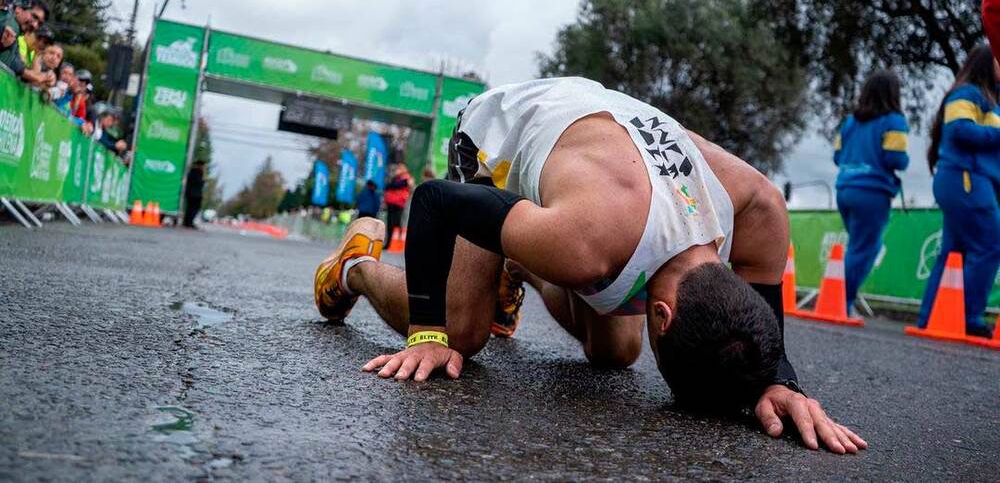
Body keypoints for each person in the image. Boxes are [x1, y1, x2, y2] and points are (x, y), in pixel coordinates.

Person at [314, 77, 867, 454]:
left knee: (615, 352)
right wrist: (425, 332)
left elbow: (765, 225)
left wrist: (778, 380)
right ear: (663, 315)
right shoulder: (586, 240)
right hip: (497, 138)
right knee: (463, 331)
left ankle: (519, 254)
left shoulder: (754, 209)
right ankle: (354, 265)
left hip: (597, 146)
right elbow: (433, 201)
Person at [918, 45, 1000, 338]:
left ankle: (932, 318)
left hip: (967, 181)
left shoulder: (988, 100)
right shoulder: (967, 93)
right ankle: (969, 318)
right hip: (965, 180)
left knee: (952, 252)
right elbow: (960, 131)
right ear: (984, 64)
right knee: (990, 244)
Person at [833, 69, 909, 313]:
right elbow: (896, 159)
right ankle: (840, 301)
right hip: (872, 192)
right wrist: (905, 160)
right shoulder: (894, 121)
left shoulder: (850, 122)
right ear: (893, 94)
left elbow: (837, 156)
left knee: (858, 246)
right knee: (866, 248)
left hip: (844, 189)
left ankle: (839, 299)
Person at [0, 0, 50, 86]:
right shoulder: (9, 22)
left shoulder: (17, 35)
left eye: (40, 23)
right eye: (34, 17)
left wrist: (42, 78)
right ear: (19, 9)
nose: (35, 25)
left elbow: (16, 64)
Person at [383, 164, 413, 244]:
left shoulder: (406, 178)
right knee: (390, 223)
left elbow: (396, 185)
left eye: (399, 168)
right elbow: (388, 186)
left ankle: (396, 242)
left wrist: (392, 184)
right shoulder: (395, 178)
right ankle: (389, 242)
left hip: (398, 203)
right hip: (391, 202)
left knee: (396, 222)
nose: (397, 170)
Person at [183, 160, 206, 229]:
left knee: (189, 208)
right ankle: (189, 222)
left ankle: (187, 222)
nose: (203, 167)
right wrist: (203, 181)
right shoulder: (197, 172)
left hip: (191, 193)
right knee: (194, 209)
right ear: (200, 165)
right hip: (195, 194)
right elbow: (198, 183)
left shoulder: (192, 172)